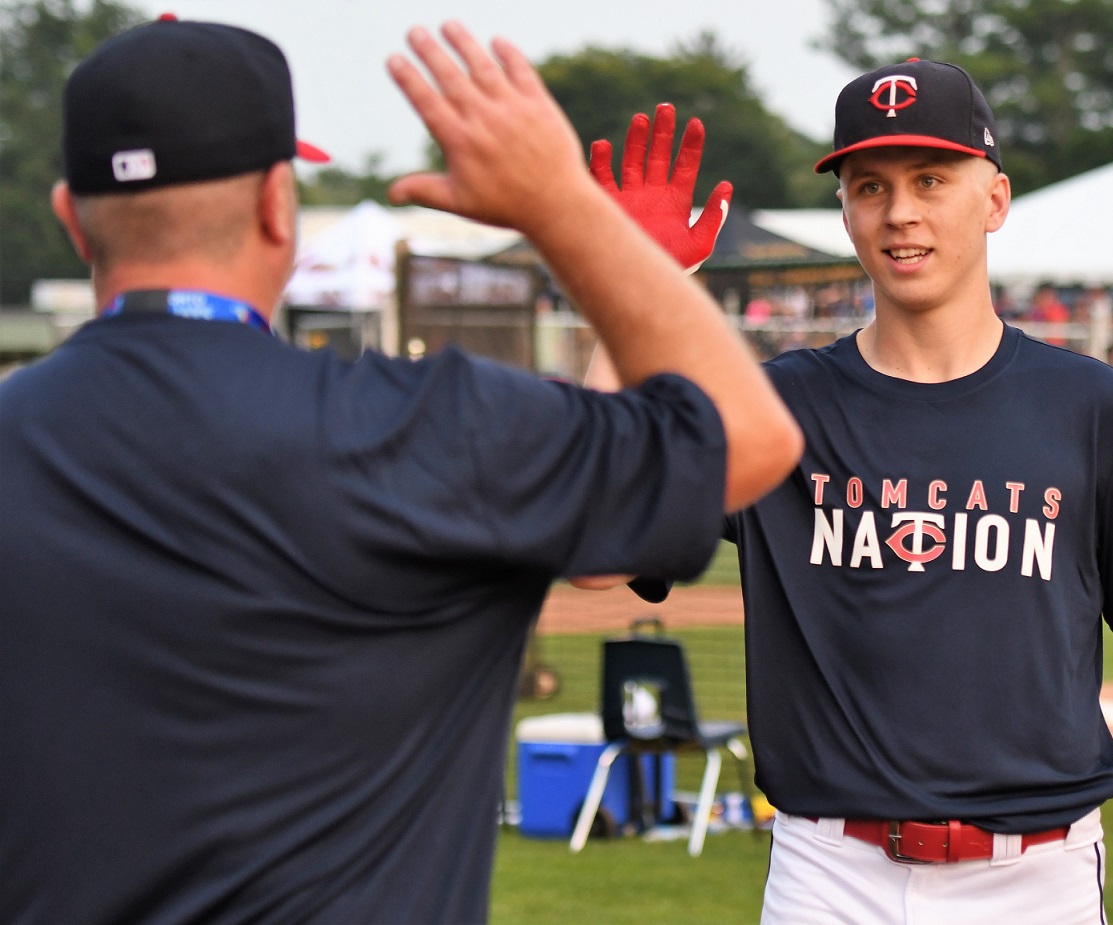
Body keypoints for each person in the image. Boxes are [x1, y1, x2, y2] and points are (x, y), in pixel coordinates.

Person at [0, 17, 801, 925]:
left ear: (72, 218)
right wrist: (564, 212)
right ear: (277, 204)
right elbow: (746, 437)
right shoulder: (433, 432)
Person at [590, 59, 1113, 925]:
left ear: (995, 199)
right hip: (831, 874)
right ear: (847, 210)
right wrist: (622, 283)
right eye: (869, 185)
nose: (900, 211)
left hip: (1036, 879)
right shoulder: (776, 405)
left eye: (931, 179)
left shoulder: (1094, 410)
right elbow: (595, 552)